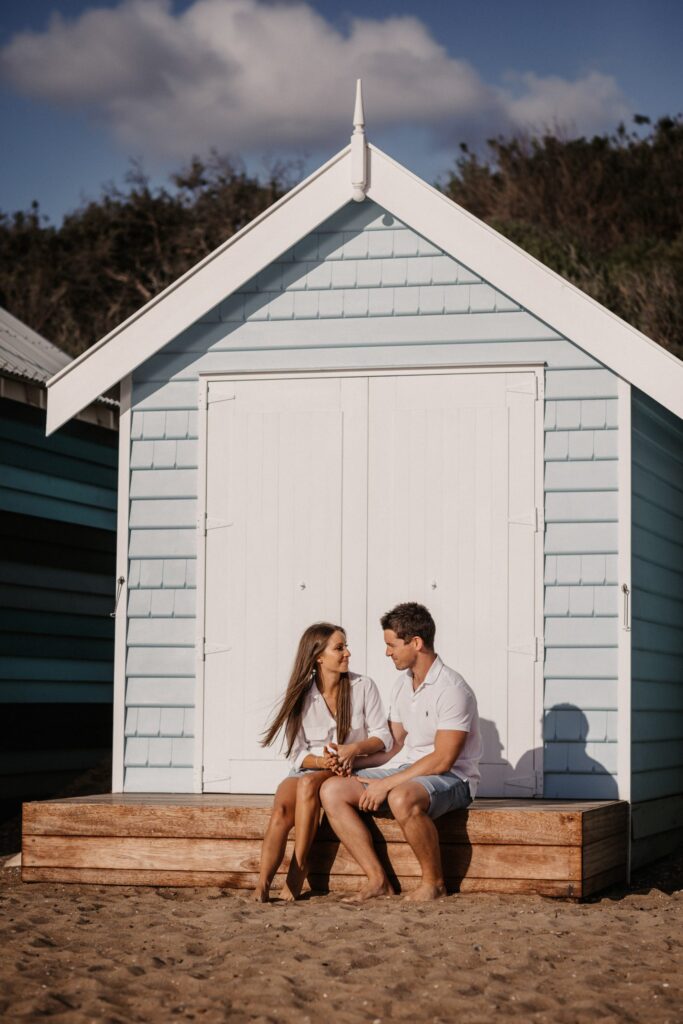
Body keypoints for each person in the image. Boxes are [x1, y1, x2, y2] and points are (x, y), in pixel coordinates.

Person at [320, 602, 482, 902]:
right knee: (332, 790)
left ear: (416, 643)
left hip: (454, 779)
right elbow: (393, 747)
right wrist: (353, 758)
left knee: (400, 796)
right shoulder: (401, 685)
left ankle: (434, 883)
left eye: (392, 645)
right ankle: (378, 879)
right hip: (408, 770)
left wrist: (386, 784)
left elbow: (443, 759)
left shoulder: (452, 689)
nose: (387, 652)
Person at [255, 622, 392, 902]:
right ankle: (262, 883)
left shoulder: (363, 687)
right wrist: (322, 761)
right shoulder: (302, 696)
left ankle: (299, 866)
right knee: (282, 810)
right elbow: (297, 754)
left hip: (348, 770)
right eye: (339, 648)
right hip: (313, 766)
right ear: (318, 656)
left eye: (346, 646)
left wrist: (353, 750)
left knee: (307, 784)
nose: (347, 653)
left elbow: (383, 737)